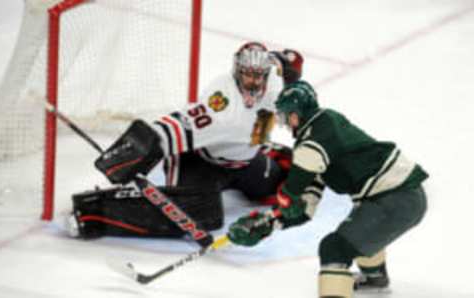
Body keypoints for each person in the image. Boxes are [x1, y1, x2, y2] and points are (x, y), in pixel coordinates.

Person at [68, 42, 305, 240]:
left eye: (258, 76)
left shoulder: (275, 82)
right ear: (237, 71)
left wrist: (290, 63)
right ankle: (94, 212)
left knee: (283, 180)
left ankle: (263, 157)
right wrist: (140, 146)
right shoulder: (222, 102)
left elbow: (286, 62)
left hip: (244, 160)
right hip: (201, 161)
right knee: (200, 216)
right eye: (247, 75)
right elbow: (182, 124)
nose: (253, 82)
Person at [227, 80, 428, 297]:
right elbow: (304, 207)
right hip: (395, 199)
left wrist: (287, 196)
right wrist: (267, 223)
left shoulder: (322, 125)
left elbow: (295, 186)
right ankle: (374, 278)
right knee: (358, 228)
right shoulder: (317, 146)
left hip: (397, 198)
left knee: (334, 248)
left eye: (286, 117)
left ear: (295, 115)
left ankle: (368, 280)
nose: (286, 124)